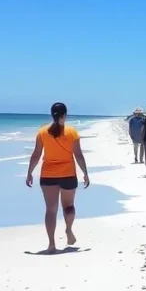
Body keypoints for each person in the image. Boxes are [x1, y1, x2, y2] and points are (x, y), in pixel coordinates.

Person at [26, 102, 91, 253]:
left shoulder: (42, 132)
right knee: (68, 206)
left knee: (50, 210)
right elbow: (78, 155)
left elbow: (36, 154)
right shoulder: (72, 132)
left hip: (48, 175)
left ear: (51, 114)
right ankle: (68, 229)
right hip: (68, 174)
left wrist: (29, 172)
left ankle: (51, 245)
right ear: (65, 115)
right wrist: (86, 173)